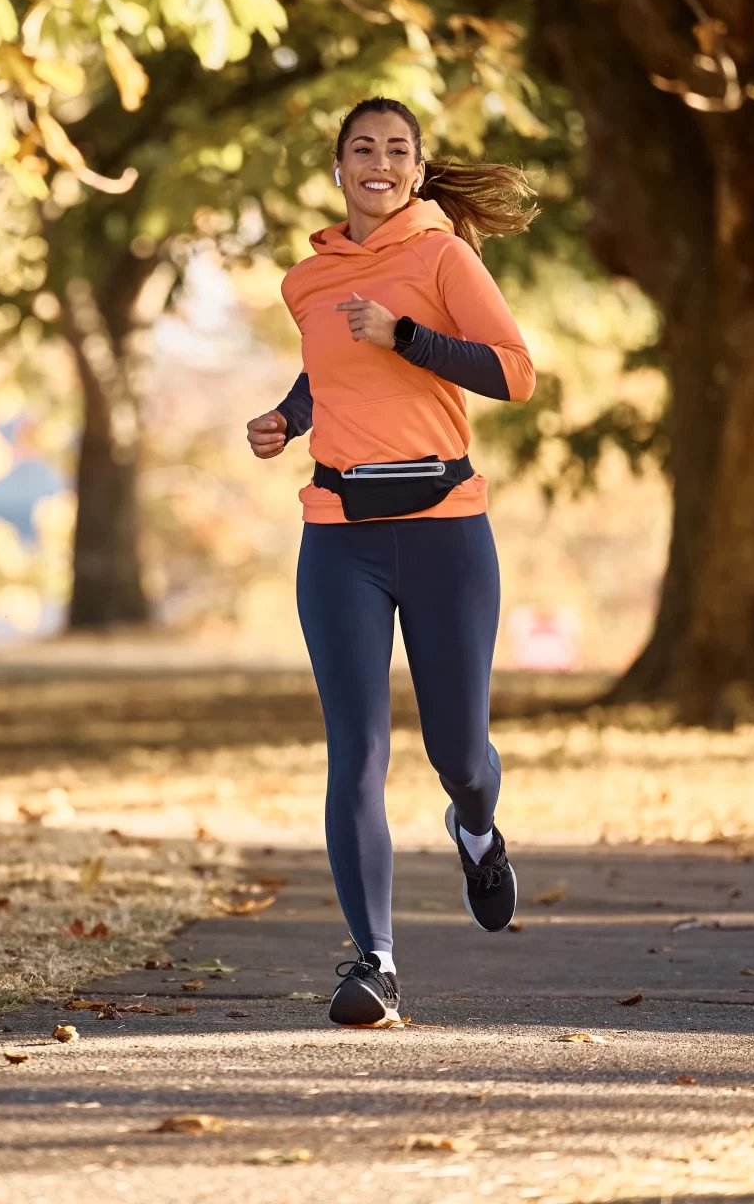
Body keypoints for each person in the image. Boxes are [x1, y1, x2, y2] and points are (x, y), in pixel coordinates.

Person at [247, 97, 537, 1027]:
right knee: (357, 753)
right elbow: (326, 371)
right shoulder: (308, 279)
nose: (379, 162)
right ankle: (374, 962)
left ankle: (476, 827)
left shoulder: (445, 256)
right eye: (362, 148)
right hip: (339, 531)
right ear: (338, 167)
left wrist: (406, 336)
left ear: (417, 170)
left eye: (397, 150)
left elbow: (514, 372)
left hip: (447, 525)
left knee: (457, 752)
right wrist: (288, 419)